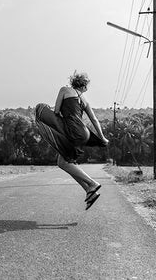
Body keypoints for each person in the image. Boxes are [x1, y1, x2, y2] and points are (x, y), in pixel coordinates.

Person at [35, 72, 109, 210]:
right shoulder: (84, 99)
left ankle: (92, 183)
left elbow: (56, 111)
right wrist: (102, 137)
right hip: (84, 133)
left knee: (40, 108)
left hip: (73, 132)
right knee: (65, 163)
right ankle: (88, 191)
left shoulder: (64, 90)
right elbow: (94, 120)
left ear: (73, 82)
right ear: (84, 86)